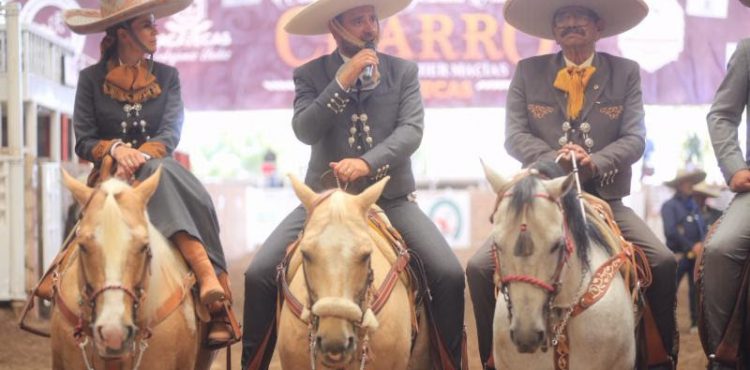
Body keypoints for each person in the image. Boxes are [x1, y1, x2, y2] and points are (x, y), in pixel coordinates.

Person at [240, 1, 466, 369]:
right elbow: (305, 130)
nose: (369, 28)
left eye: (371, 19)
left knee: (448, 274)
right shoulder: (310, 75)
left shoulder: (403, 71)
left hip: (391, 201)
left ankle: (449, 363)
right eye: (358, 20)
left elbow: (411, 132)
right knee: (259, 273)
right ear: (336, 28)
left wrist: (366, 163)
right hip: (324, 204)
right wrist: (342, 80)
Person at [465, 0, 678, 369]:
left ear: (599, 27)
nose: (571, 23)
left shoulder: (624, 72)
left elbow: (634, 138)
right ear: (553, 30)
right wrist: (554, 159)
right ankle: (492, 358)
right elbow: (513, 136)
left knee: (661, 262)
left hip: (604, 198)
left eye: (581, 16)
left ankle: (660, 357)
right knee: (480, 269)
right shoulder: (527, 71)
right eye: (562, 18)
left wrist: (596, 161)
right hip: (543, 197)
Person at [61, 0, 239, 348]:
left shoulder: (169, 77)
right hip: (109, 177)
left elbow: (170, 134)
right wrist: (115, 151)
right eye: (147, 26)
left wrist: (139, 155)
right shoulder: (90, 80)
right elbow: (83, 139)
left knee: (173, 180)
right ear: (123, 33)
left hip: (161, 172)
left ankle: (213, 289)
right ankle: (59, 298)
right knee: (80, 228)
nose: (156, 31)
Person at [702, 0, 750, 365]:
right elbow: (721, 114)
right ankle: (723, 355)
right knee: (720, 249)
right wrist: (734, 167)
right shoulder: (749, 50)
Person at [661, 169, 707, 333]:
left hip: (695, 256)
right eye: (688, 182)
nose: (691, 186)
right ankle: (666, 324)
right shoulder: (669, 206)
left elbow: (701, 229)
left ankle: (695, 322)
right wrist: (691, 246)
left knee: (696, 290)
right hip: (679, 256)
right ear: (680, 185)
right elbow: (671, 232)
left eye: (692, 182)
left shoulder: (694, 206)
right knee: (669, 290)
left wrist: (701, 244)